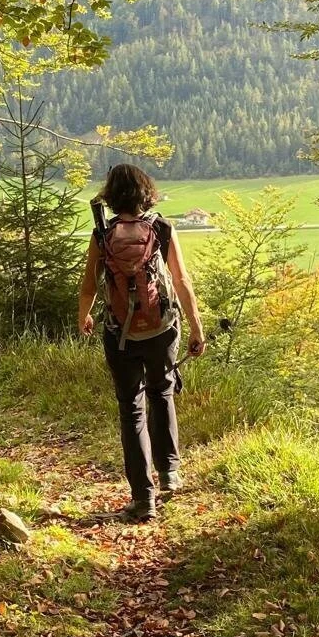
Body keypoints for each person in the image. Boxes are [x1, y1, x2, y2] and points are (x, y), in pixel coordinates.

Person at [77, 164, 205, 521]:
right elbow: (181, 280)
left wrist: (84, 316)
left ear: (111, 195)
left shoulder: (103, 235)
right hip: (162, 329)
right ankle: (170, 474)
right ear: (145, 192)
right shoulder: (161, 228)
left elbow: (89, 286)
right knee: (162, 393)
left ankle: (142, 498)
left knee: (131, 408)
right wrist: (196, 327)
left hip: (120, 334)